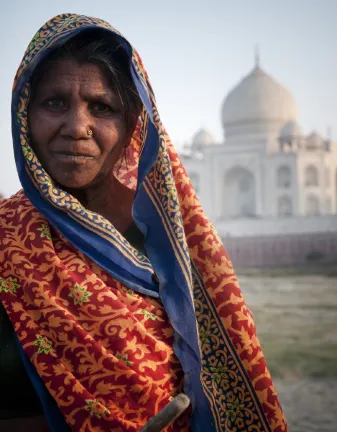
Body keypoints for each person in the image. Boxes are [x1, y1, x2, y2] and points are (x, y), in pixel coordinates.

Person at [0, 13, 287, 432]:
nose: (77, 127)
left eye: (102, 107)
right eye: (54, 102)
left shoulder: (173, 247)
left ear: (134, 123)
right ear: (24, 113)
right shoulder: (8, 238)